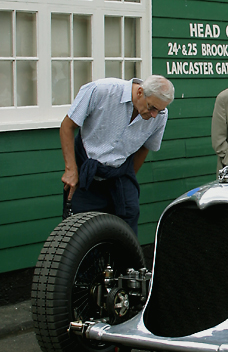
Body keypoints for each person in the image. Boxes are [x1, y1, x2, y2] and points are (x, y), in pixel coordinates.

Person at [60, 75, 175, 235]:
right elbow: (67, 126)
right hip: (87, 170)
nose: (154, 115)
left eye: (160, 110)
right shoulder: (101, 90)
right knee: (81, 231)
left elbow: (145, 148)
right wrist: (71, 169)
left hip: (120, 173)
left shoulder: (160, 116)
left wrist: (129, 175)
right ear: (140, 92)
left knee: (127, 225)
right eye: (152, 108)